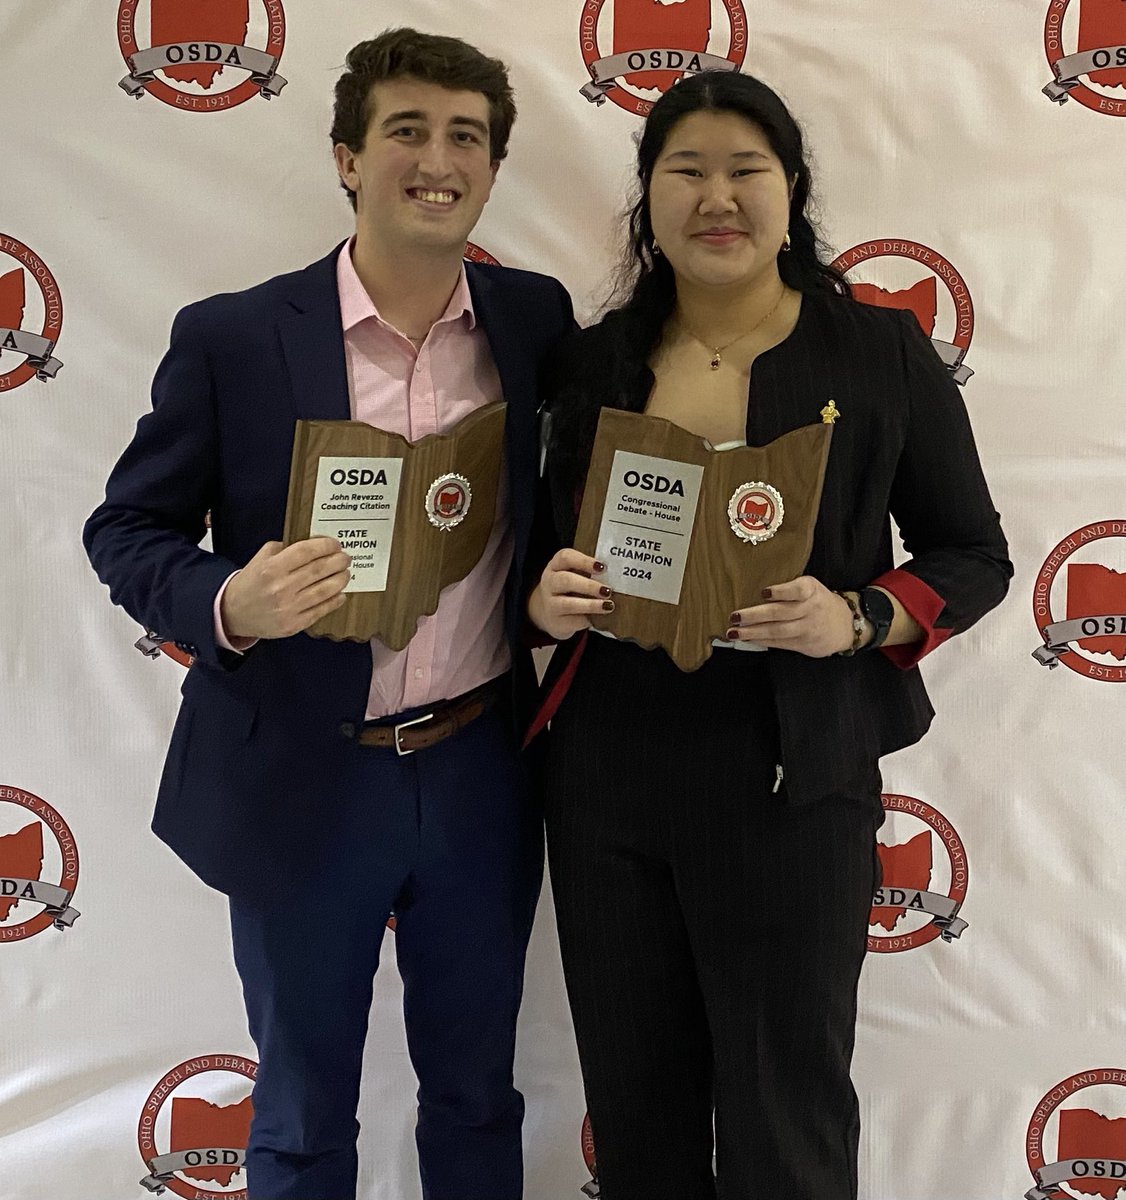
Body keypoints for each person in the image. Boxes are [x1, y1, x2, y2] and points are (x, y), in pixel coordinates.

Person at [84, 28, 573, 1200]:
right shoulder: (236, 336)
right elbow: (124, 531)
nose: (436, 158)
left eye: (465, 136)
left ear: (494, 170)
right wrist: (225, 599)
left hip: (478, 773)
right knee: (301, 1111)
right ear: (348, 157)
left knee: (476, 1097)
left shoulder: (536, 323)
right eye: (405, 130)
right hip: (305, 777)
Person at [526, 71, 1011, 1200]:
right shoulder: (589, 364)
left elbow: (971, 554)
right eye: (684, 170)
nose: (716, 197)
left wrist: (856, 616)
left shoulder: (881, 353)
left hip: (791, 776)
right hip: (607, 776)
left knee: (783, 1106)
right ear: (647, 198)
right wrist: (540, 603)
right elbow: (527, 560)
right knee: (636, 1109)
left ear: (791, 191)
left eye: (746, 169)